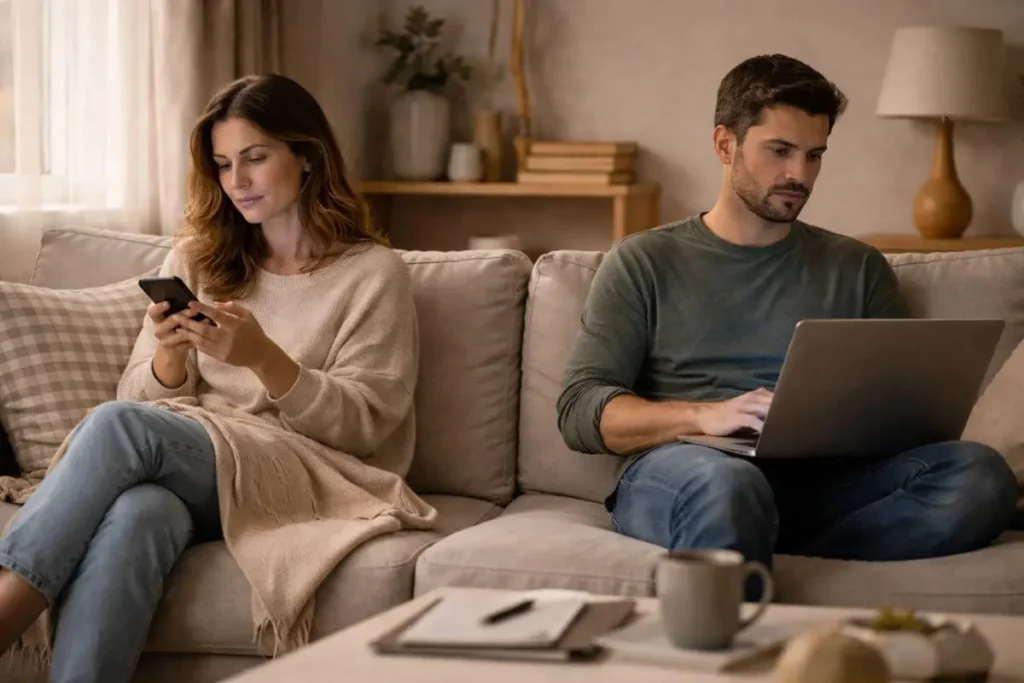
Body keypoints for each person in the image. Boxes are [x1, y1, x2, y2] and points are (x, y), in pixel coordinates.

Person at [0, 73, 436, 682]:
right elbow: (140, 396)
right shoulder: (198, 258)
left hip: (311, 472)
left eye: (256, 158)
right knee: (138, 514)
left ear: (307, 157)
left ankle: (7, 607)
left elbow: (367, 425)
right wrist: (171, 359)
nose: (238, 181)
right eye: (225, 164)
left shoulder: (371, 274)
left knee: (119, 429)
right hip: (201, 467)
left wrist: (264, 358)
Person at [556, 54, 1016, 587]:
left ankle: (752, 537)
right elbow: (579, 410)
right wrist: (703, 416)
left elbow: (906, 417)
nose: (800, 174)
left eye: (814, 155)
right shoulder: (643, 262)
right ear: (725, 144)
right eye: (780, 151)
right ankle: (741, 584)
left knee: (978, 477)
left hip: (823, 486)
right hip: (692, 469)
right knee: (728, 489)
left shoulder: (858, 267)